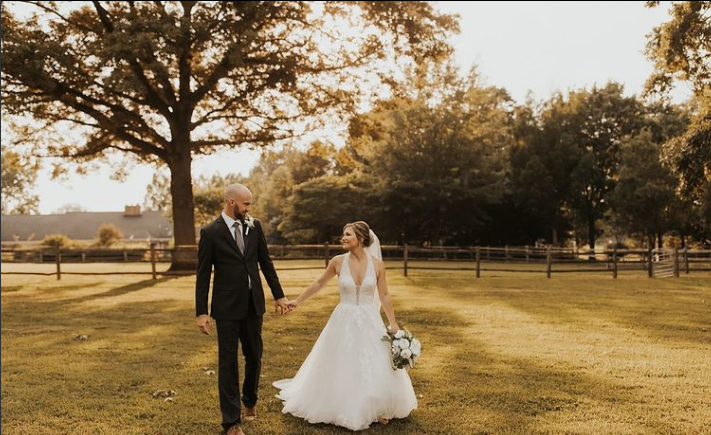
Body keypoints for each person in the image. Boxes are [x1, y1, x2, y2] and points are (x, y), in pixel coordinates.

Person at [273, 221, 417, 431]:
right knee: (341, 359)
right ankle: (336, 402)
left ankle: (378, 406)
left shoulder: (377, 265)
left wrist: (393, 323)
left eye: (347, 234)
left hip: (369, 319)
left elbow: (384, 294)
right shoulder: (337, 262)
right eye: (343, 234)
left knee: (375, 360)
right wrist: (298, 300)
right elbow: (319, 283)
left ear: (360, 238)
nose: (342, 238)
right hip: (343, 318)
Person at [195, 183, 292, 435]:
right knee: (228, 362)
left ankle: (249, 400)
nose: (249, 208)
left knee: (254, 355)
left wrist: (279, 295)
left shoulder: (254, 225)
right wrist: (201, 312)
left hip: (253, 304)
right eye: (246, 203)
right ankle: (231, 422)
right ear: (231, 202)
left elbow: (265, 262)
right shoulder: (210, 232)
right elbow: (203, 274)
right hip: (225, 308)